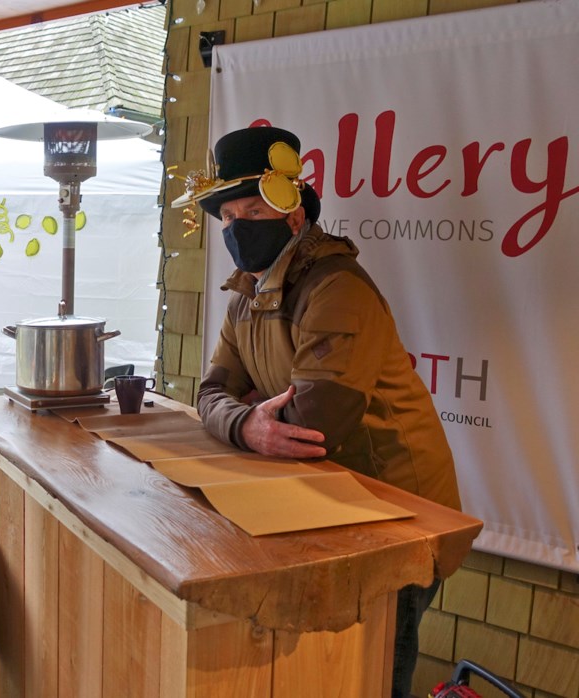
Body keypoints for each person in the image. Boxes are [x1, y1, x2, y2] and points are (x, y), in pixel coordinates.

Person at [174, 125, 462, 697]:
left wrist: (247, 419)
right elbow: (207, 393)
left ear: (295, 216)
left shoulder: (336, 288)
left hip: (396, 517)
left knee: (375, 674)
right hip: (328, 505)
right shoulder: (246, 296)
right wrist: (246, 423)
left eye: (252, 210)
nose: (236, 229)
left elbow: (312, 428)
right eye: (227, 218)